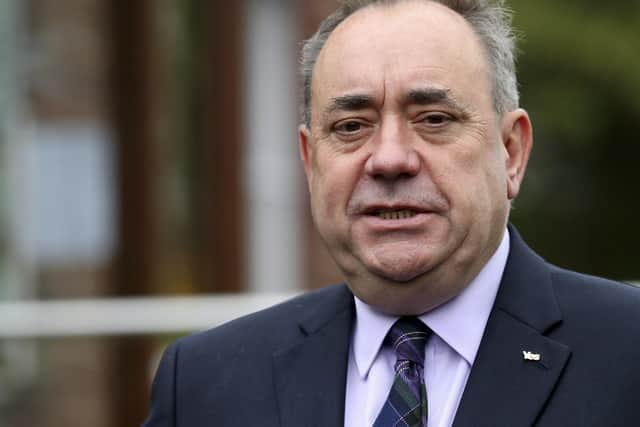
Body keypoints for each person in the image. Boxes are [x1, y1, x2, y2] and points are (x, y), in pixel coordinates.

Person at [143, 1, 640, 426]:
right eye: (351, 126)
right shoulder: (206, 384)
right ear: (310, 161)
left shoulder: (626, 352)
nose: (389, 159)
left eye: (434, 119)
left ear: (511, 153)